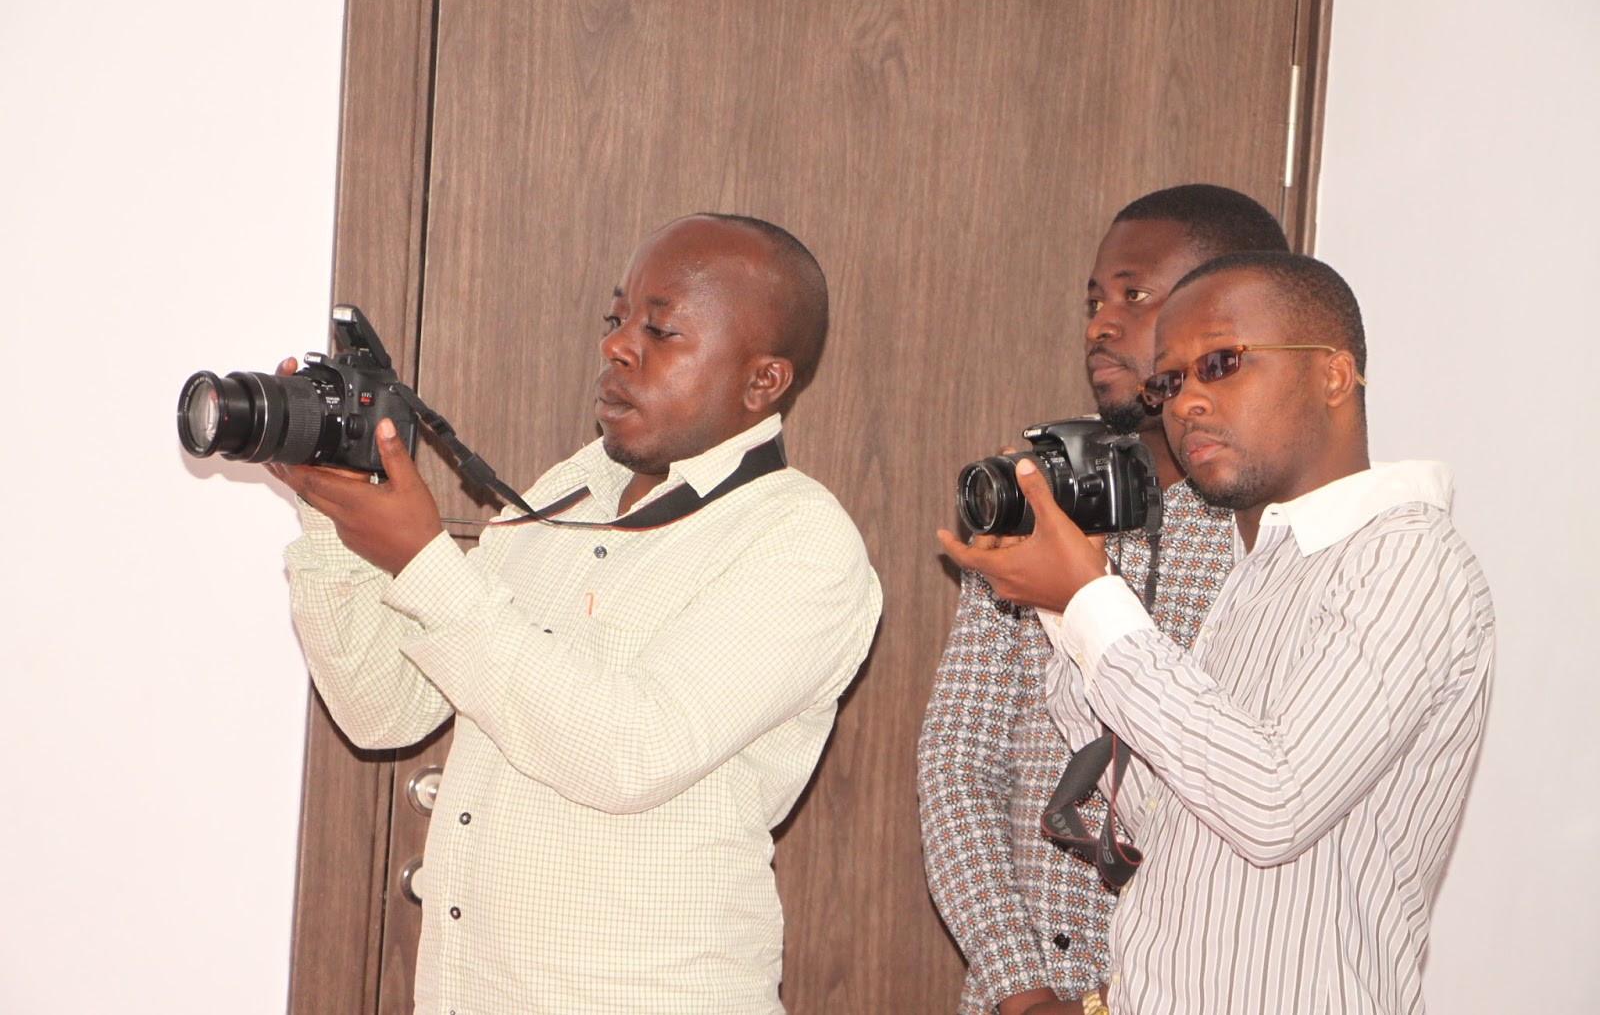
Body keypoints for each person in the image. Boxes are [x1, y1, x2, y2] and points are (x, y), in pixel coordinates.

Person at [268, 213, 883, 1014]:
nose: (617, 346)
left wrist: (424, 560)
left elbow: (631, 752)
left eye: (661, 330)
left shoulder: (800, 541)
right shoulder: (572, 487)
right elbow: (386, 710)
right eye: (616, 317)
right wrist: (332, 511)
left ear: (762, 381)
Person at [941, 252, 1493, 1015]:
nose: (1187, 403)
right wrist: (1061, 610)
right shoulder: (1262, 570)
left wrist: (1091, 597)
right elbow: (1167, 813)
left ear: (1334, 375)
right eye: (1169, 383)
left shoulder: (1406, 560)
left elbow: (1272, 806)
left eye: (1221, 364)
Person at [917, 185, 1288, 1015]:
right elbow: (960, 757)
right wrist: (1017, 985)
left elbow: (1255, 799)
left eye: (1134, 295)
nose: (1100, 326)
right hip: (1018, 993)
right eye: (1094, 302)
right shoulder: (1038, 489)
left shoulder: (1271, 522)